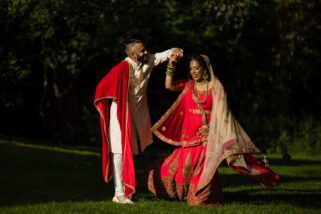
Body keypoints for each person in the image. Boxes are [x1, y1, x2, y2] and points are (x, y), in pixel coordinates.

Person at [148, 54, 280, 206]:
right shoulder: (188, 86)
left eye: (197, 68)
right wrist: (171, 65)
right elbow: (169, 86)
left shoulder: (215, 87)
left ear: (205, 69)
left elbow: (223, 113)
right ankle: (182, 192)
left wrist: (210, 127)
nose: (193, 72)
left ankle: (205, 194)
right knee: (175, 172)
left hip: (208, 139)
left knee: (198, 194)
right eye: (191, 69)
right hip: (189, 138)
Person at [94, 39, 183, 204]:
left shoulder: (148, 60)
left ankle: (125, 191)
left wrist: (176, 50)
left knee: (131, 149)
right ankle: (119, 193)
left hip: (137, 115)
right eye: (142, 51)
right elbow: (102, 87)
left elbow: (163, 55)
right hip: (120, 114)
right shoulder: (121, 68)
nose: (146, 52)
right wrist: (116, 97)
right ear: (133, 55)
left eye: (145, 49)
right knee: (119, 152)